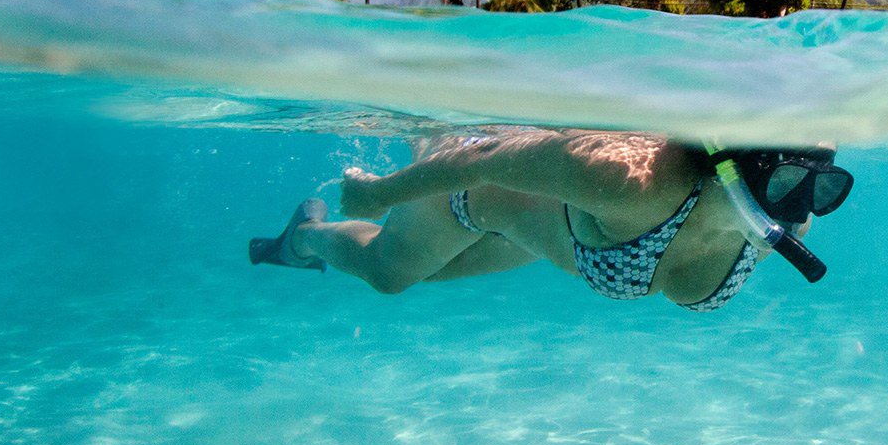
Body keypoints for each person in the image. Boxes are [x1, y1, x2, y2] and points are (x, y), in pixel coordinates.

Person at [249, 128, 851, 307]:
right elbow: (484, 160)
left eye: (823, 190)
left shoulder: (791, 217)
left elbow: (795, 199)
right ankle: (303, 237)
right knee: (390, 273)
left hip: (545, 230)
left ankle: (424, 151)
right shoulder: (632, 182)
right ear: (731, 169)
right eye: (786, 183)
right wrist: (379, 194)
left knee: (429, 274)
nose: (801, 208)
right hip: (474, 192)